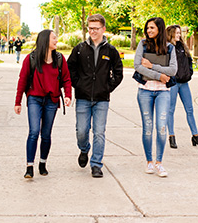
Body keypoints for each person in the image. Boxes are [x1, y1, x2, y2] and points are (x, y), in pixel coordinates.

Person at [67, 14, 123, 178]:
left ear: (103, 29)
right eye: (90, 28)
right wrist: (78, 85)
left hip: (101, 100)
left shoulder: (111, 51)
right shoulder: (79, 49)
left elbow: (118, 73)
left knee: (99, 132)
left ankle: (96, 164)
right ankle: (84, 149)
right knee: (82, 131)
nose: (92, 31)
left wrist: (107, 88)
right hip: (83, 98)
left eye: (96, 28)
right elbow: (70, 69)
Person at [14, 29, 72, 178]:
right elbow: (23, 80)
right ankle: (29, 166)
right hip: (35, 99)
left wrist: (68, 95)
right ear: (45, 40)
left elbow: (66, 79)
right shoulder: (31, 58)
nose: (56, 40)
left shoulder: (59, 59)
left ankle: (42, 162)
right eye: (54, 38)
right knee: (34, 132)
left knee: (46, 134)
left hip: (51, 101)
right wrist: (18, 101)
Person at [133, 17, 177, 177]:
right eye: (147, 28)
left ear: (160, 28)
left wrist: (152, 67)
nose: (149, 31)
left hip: (163, 92)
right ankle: (149, 162)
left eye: (152, 28)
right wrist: (159, 75)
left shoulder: (170, 48)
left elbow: (172, 71)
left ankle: (159, 162)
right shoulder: (143, 44)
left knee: (161, 127)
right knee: (148, 128)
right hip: (145, 91)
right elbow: (137, 66)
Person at [166, 25, 198, 149]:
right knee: (171, 110)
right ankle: (171, 136)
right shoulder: (167, 48)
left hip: (184, 83)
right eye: (176, 33)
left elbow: (189, 62)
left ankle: (195, 136)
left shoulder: (182, 47)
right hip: (173, 83)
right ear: (171, 34)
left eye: (179, 33)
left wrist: (189, 73)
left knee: (190, 110)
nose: (179, 35)